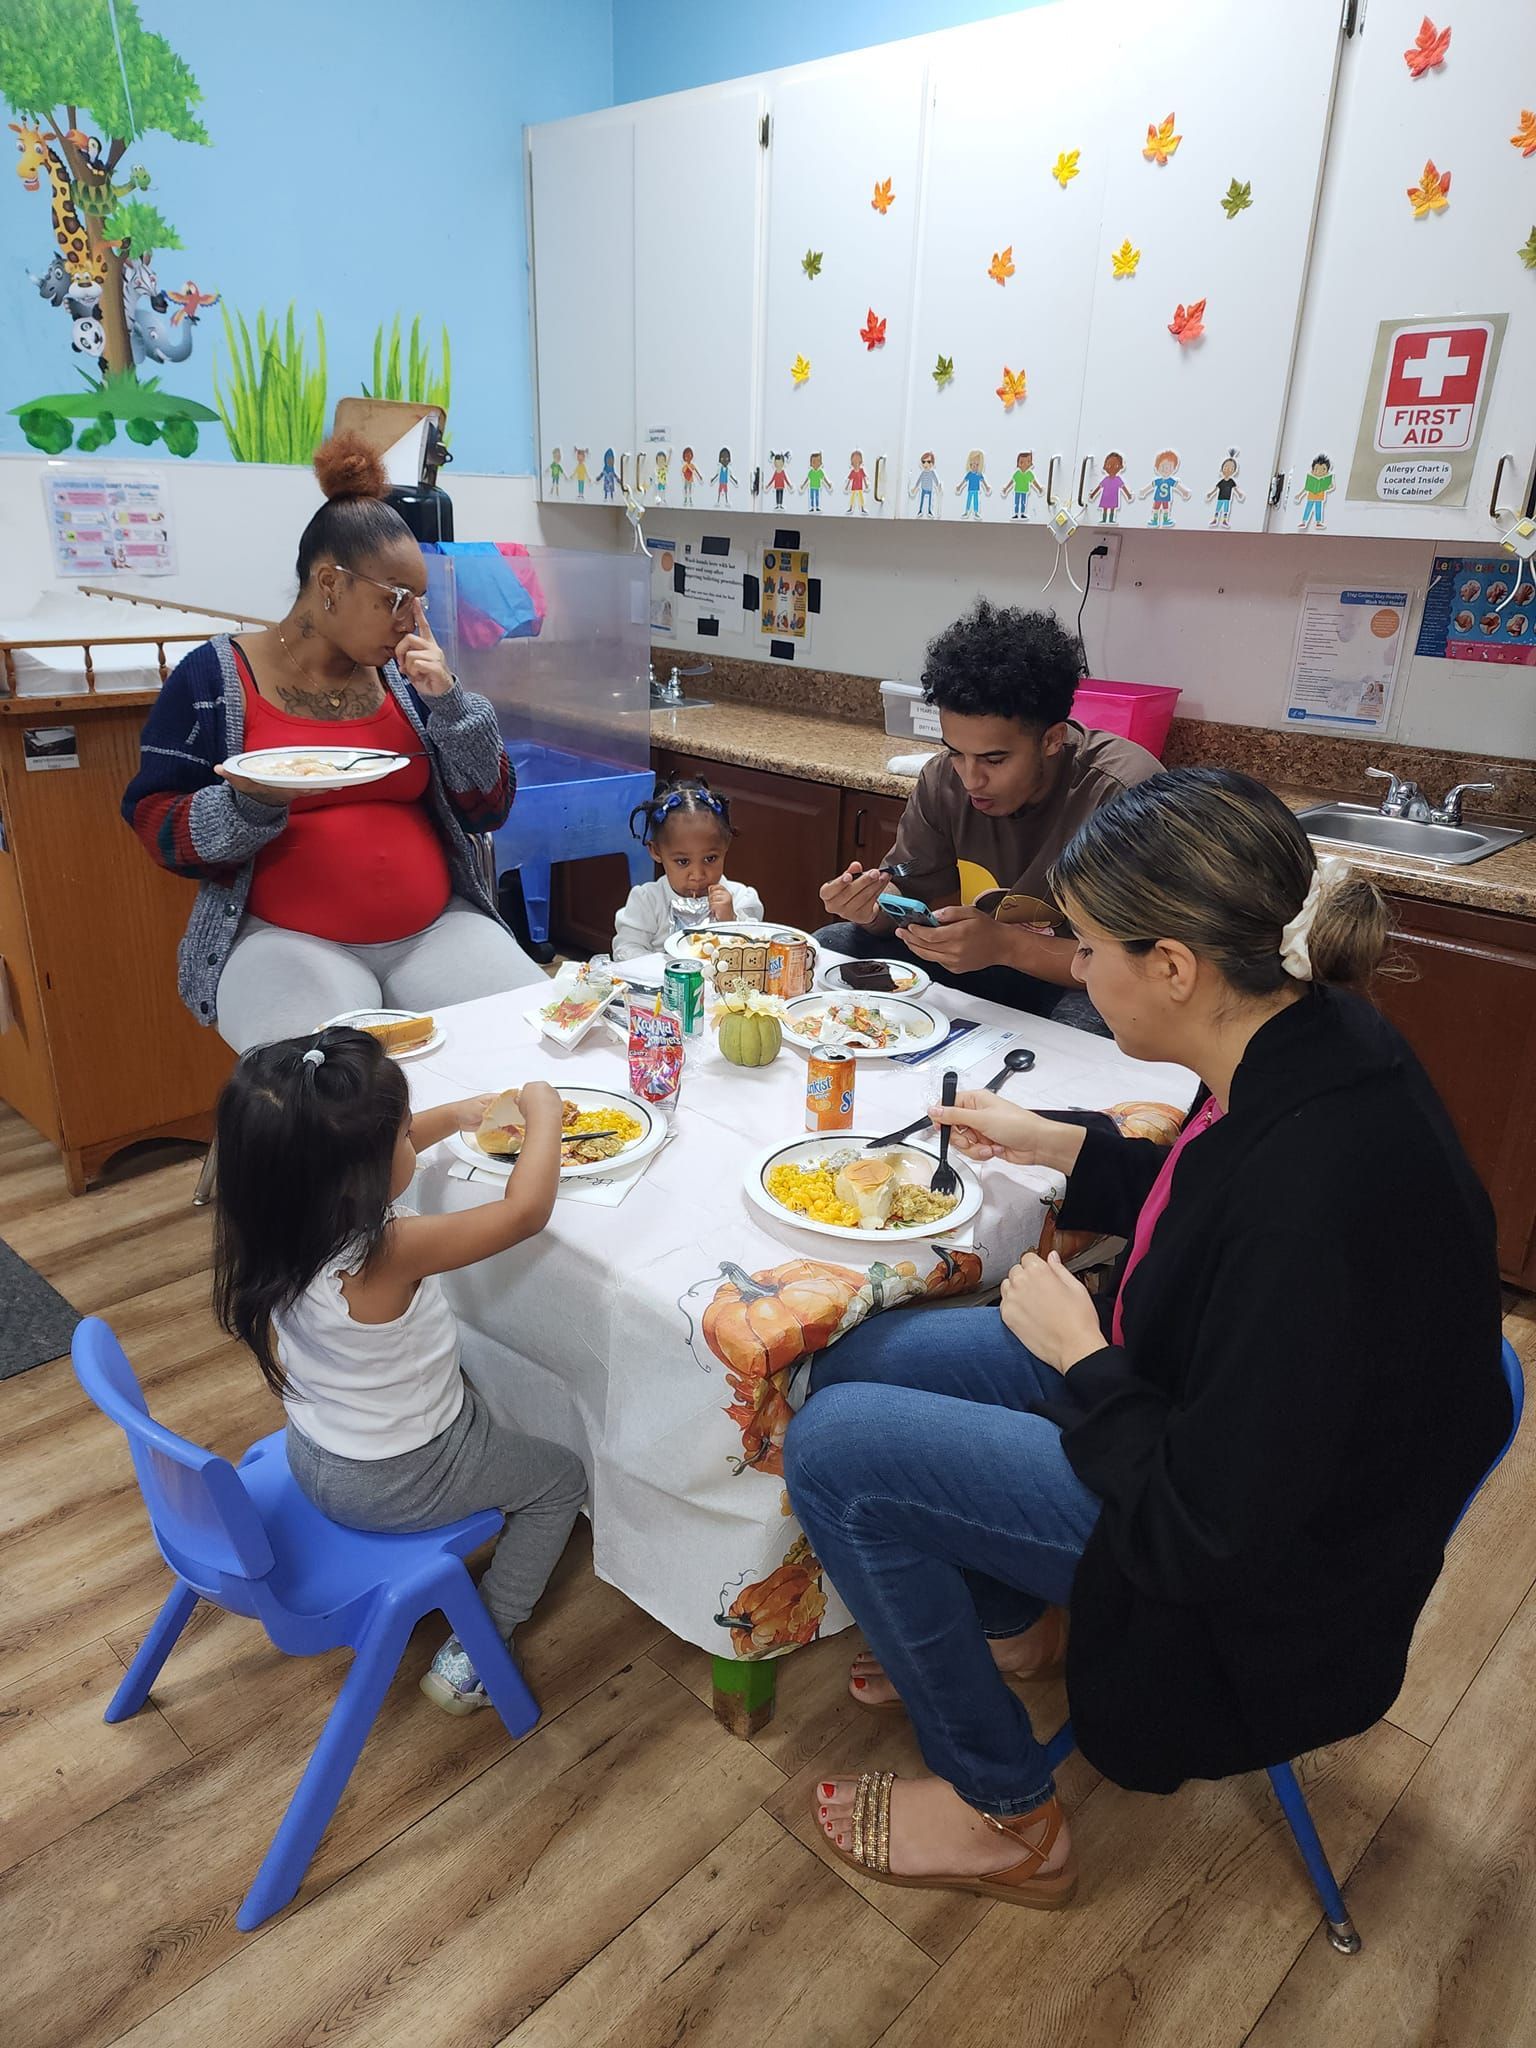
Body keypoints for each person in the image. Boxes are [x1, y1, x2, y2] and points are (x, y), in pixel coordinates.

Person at [785, 767, 1511, 1911]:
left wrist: (1084, 1357)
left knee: (835, 1447)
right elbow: (1199, 1185)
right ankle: (1020, 1623)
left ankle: (1006, 1814)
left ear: (1172, 964)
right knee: (859, 1357)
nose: (1074, 968)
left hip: (1251, 1562)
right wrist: (1055, 1139)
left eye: (1085, 948)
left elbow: (1205, 1527)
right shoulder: (1302, 1040)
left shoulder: (1313, 1204)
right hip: (1184, 1397)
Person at [123, 435, 545, 1053]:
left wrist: (452, 703)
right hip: (285, 941)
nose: (411, 620)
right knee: (315, 1101)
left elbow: (489, 808)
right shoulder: (213, 679)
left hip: (436, 931)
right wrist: (248, 806)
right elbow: (155, 821)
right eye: (394, 599)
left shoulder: (406, 676)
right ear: (329, 584)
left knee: (537, 1047)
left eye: (418, 601)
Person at [212, 1026, 588, 1713]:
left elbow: (375, 1148)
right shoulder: (386, 1250)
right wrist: (544, 1109)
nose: (415, 1139)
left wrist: (459, 1115)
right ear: (360, 1174)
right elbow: (525, 1212)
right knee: (560, 1481)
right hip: (396, 1480)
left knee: (467, 1378)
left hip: (316, 1449)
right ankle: (482, 1642)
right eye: (405, 1136)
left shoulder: (269, 1225)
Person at [814, 599, 1160, 1026]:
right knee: (835, 944)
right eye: (955, 752)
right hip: (981, 963)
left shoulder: (1122, 794)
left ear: (1052, 740)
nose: (970, 779)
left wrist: (1004, 945)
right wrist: (870, 908)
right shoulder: (943, 779)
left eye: (994, 760)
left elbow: (1139, 967)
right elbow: (908, 897)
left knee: (1104, 1016)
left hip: (1074, 981)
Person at [613, 778, 764, 959]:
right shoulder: (647, 901)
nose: (698, 875)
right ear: (656, 851)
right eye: (683, 862)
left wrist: (731, 921)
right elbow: (625, 950)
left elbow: (757, 952)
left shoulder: (740, 898)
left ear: (726, 846)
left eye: (710, 858)